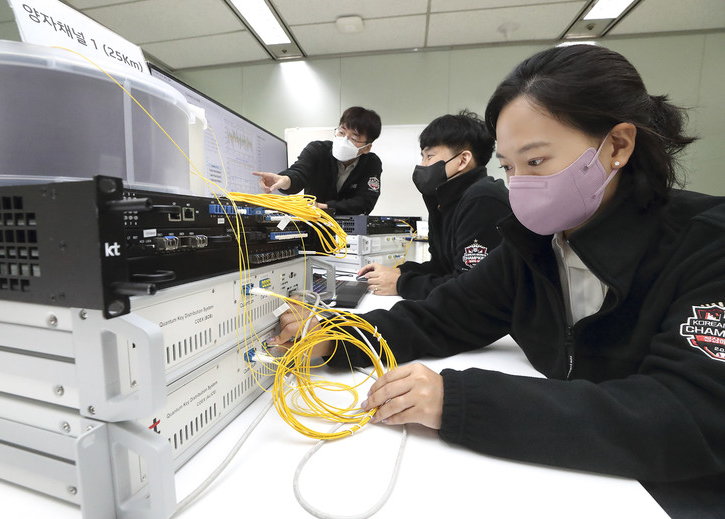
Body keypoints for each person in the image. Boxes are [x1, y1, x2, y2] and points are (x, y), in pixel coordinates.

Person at [268, 44, 725, 514]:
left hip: (677, 494)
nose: (519, 183)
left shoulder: (708, 245)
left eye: (536, 161)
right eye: (508, 167)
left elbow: (689, 414)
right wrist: (334, 336)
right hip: (588, 481)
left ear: (618, 146)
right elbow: (442, 316)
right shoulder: (537, 247)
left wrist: (460, 401)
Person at [357, 110, 510, 298]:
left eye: (429, 156)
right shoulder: (444, 201)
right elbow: (442, 267)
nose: (422, 165)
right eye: (422, 156)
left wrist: (400, 284)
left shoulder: (483, 200)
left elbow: (473, 287)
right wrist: (399, 271)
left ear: (463, 160)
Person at [253, 106, 382, 215]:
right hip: (314, 226)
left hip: (350, 231)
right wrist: (286, 180)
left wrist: (323, 206)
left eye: (353, 138)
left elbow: (365, 202)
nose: (344, 141)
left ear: (367, 147)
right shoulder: (317, 150)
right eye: (342, 132)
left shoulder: (371, 163)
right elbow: (299, 172)